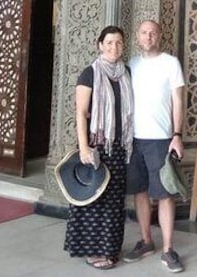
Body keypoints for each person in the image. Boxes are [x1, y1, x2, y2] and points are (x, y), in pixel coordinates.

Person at [64, 26, 134, 270]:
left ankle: (110, 248)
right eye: (110, 42)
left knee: (114, 202)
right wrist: (84, 148)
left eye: (119, 43)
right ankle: (92, 250)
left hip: (119, 147)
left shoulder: (126, 73)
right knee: (93, 198)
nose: (114, 47)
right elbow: (81, 113)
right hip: (96, 146)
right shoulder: (90, 74)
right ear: (100, 45)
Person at [124, 20, 186, 273]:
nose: (148, 36)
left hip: (161, 138)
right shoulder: (131, 65)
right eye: (144, 32)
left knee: (164, 195)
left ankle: (169, 249)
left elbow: (178, 101)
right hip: (133, 138)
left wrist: (177, 134)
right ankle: (146, 240)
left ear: (159, 36)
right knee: (139, 191)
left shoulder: (170, 63)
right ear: (137, 37)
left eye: (152, 33)